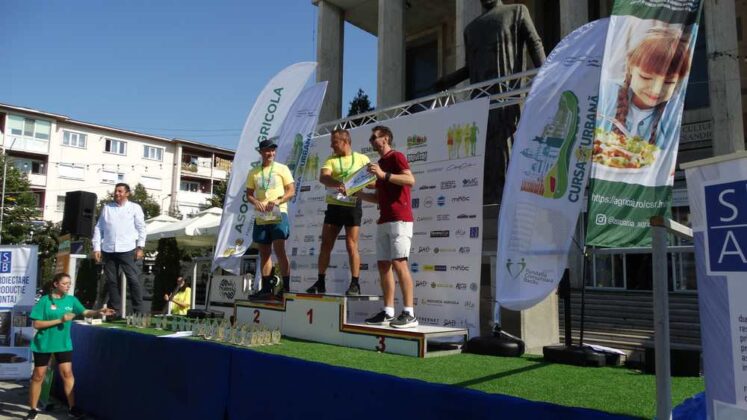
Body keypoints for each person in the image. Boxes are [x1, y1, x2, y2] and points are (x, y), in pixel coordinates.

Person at [26, 273, 115, 419]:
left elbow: (85, 312)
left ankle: (72, 408)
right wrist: (60, 320)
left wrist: (99, 311)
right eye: (65, 283)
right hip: (44, 344)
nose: (68, 286)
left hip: (63, 344)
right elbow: (36, 324)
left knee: (67, 374)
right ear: (56, 284)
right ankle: (33, 409)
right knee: (38, 376)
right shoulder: (44, 301)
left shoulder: (71, 300)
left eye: (69, 283)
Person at [356, 126, 418, 328]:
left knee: (399, 263)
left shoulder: (396, 156)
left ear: (386, 138)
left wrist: (384, 175)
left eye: (375, 137)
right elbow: (378, 198)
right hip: (384, 219)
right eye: (371, 138)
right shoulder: (380, 164)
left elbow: (410, 180)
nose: (372, 140)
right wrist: (358, 194)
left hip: (400, 219)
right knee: (384, 265)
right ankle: (388, 312)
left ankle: (409, 313)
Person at [597, 29, 692, 147]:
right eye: (646, 78)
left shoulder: (673, 113)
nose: (656, 90)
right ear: (630, 68)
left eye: (668, 82)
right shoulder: (606, 93)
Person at [306, 129, 370, 295]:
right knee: (326, 244)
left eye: (334, 142)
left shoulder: (362, 159)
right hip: (334, 206)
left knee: (351, 244)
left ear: (345, 141)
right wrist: (339, 184)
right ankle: (320, 282)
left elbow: (372, 181)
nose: (331, 145)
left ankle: (355, 283)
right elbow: (324, 177)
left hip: (352, 205)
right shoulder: (331, 159)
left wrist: (356, 185)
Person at [246, 138, 295, 297]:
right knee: (264, 253)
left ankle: (286, 288)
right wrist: (256, 202)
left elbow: (291, 191)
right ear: (261, 152)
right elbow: (249, 194)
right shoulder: (253, 172)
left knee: (280, 250)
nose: (271, 153)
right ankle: (266, 289)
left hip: (278, 212)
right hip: (262, 215)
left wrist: (279, 200)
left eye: (273, 150)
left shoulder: (282, 168)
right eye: (267, 150)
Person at [92, 182, 147, 315]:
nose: (117, 193)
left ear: (127, 193)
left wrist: (140, 247)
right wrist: (96, 248)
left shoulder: (135, 208)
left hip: (127, 249)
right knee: (111, 281)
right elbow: (99, 228)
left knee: (133, 279)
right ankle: (114, 311)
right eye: (116, 191)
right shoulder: (107, 208)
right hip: (108, 249)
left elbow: (141, 228)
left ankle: (138, 311)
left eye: (120, 191)